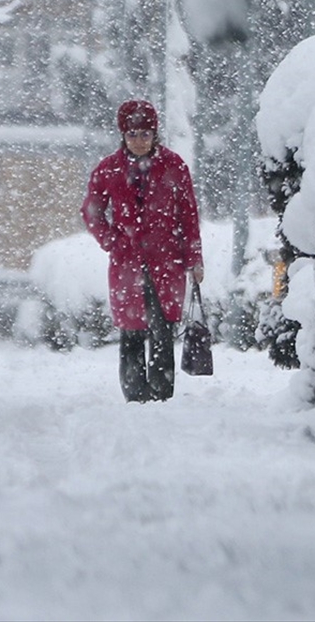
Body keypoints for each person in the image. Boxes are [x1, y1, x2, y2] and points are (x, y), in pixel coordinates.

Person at [81, 100, 204, 403]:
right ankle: (135, 397)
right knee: (132, 332)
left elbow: (188, 215)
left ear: (155, 135)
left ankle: (161, 395)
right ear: (123, 134)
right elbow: (92, 211)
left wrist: (194, 257)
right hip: (127, 264)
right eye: (133, 134)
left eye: (146, 134)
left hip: (167, 262)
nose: (139, 141)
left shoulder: (174, 166)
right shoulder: (108, 169)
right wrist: (112, 241)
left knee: (163, 332)